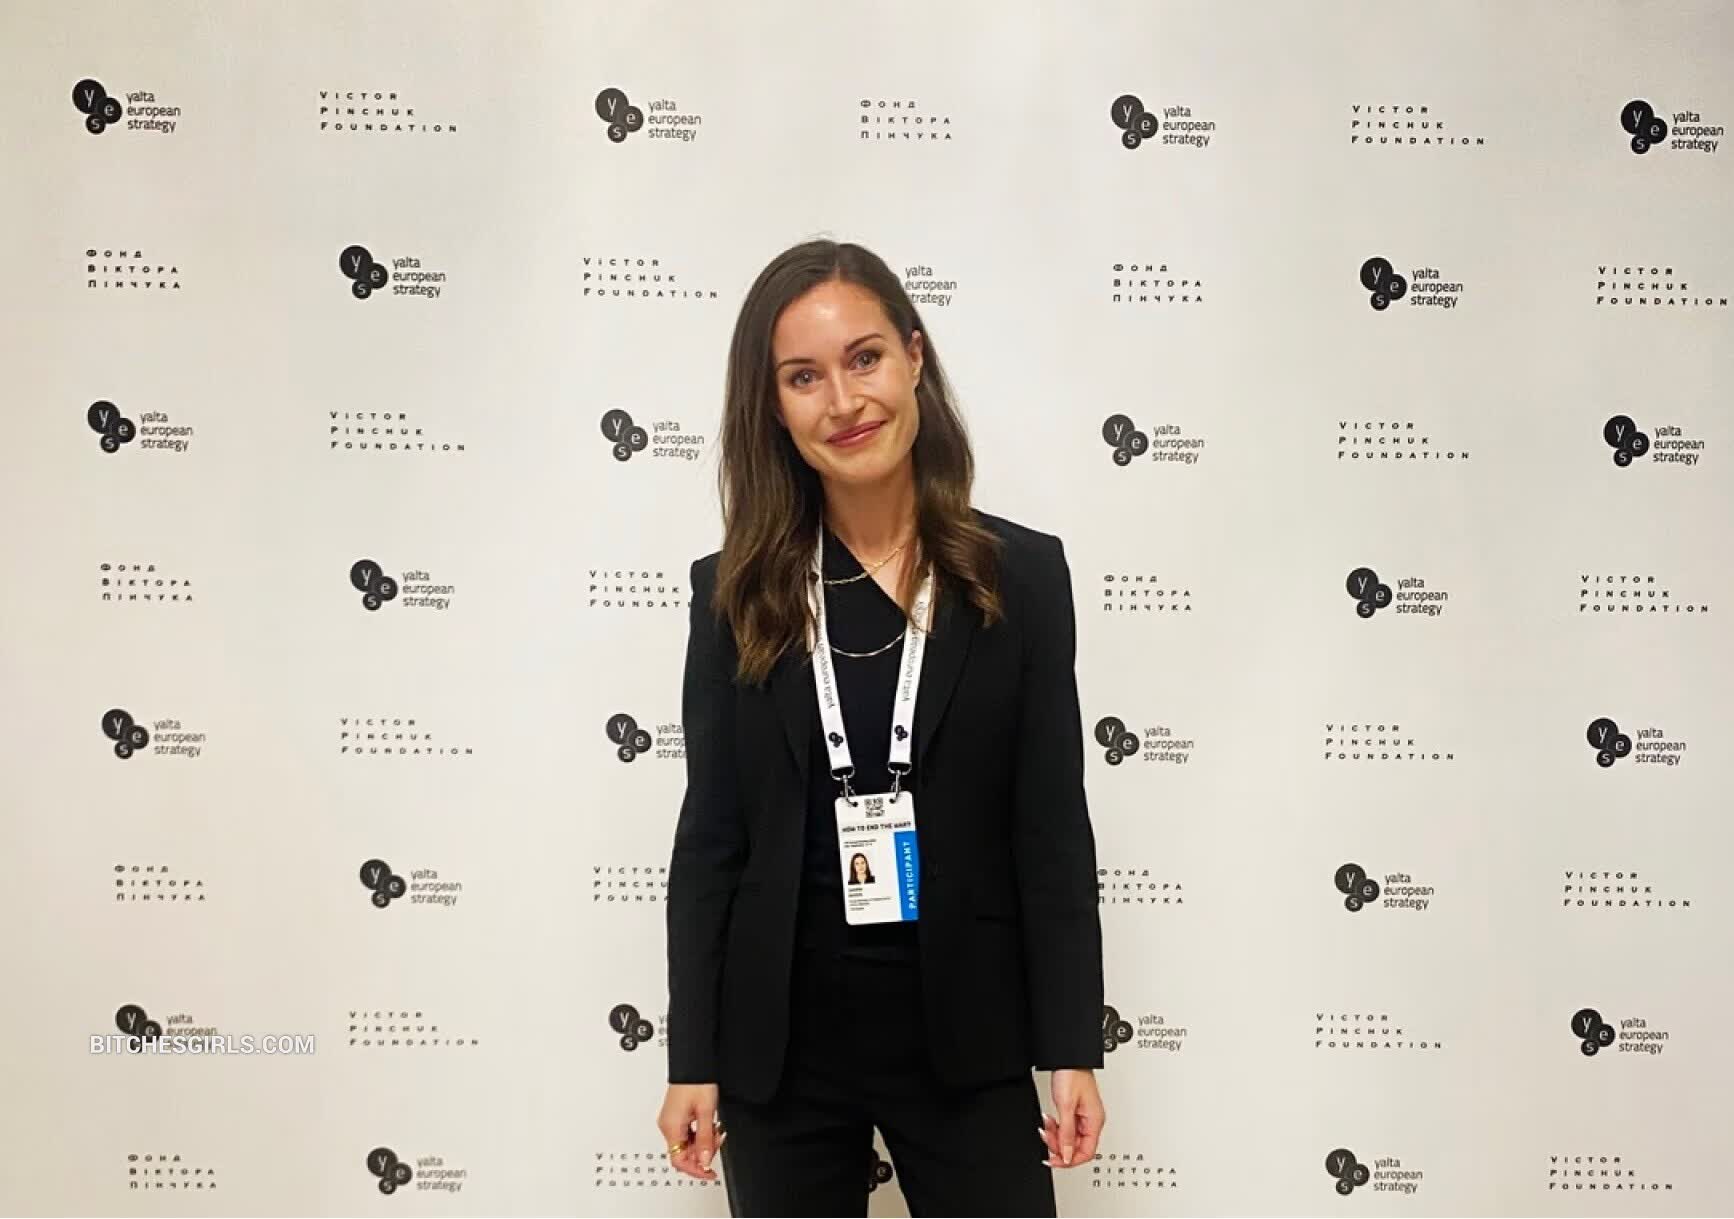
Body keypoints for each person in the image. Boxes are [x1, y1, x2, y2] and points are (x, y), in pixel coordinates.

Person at [657, 238, 1106, 1217]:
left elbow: (1049, 830)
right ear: (773, 407)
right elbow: (712, 840)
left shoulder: (1021, 578)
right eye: (803, 376)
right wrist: (692, 1055)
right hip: (783, 1043)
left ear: (913, 356)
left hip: (967, 1030)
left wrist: (1071, 1043)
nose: (844, 401)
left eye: (864, 358)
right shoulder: (734, 592)